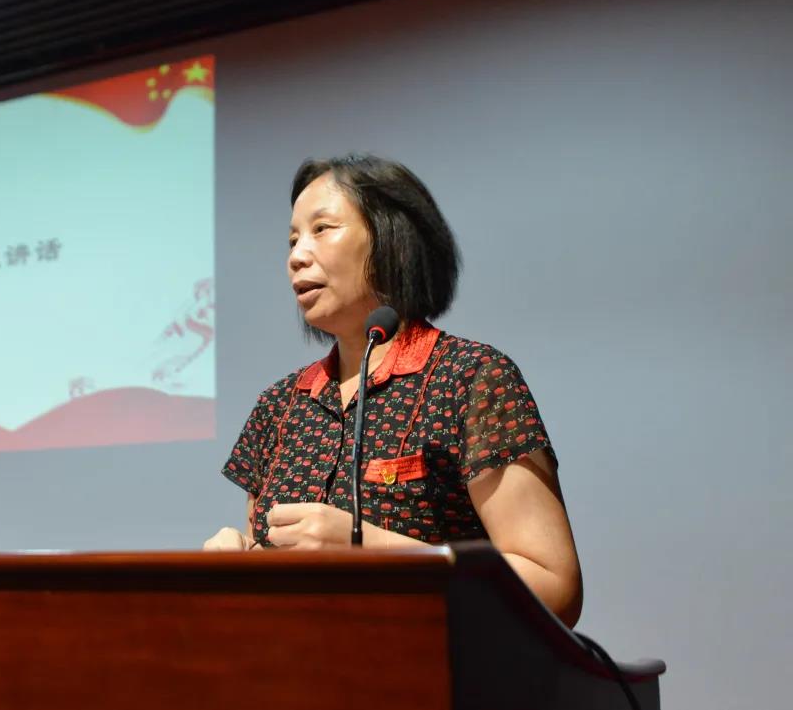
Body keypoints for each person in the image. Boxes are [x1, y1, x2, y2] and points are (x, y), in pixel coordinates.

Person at [203, 154, 583, 627]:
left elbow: (552, 584)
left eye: (322, 229)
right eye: (293, 239)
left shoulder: (469, 377)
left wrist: (363, 543)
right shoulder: (279, 405)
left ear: (390, 240)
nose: (297, 255)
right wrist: (236, 563)